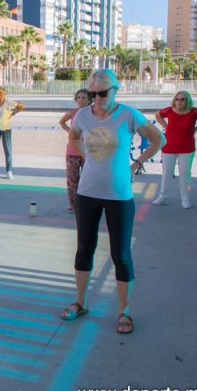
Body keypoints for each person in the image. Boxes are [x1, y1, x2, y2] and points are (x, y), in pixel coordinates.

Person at [61, 69, 165, 335]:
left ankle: (124, 310)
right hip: (87, 193)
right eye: (92, 93)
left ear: (115, 90)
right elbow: (73, 137)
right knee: (84, 248)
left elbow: (158, 139)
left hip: (119, 195)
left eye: (102, 92)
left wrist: (136, 165)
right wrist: (87, 157)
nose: (96, 98)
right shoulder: (82, 115)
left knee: (121, 254)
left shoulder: (128, 115)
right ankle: (81, 302)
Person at [152, 91, 197, 209]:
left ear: (187, 101)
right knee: (166, 173)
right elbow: (157, 115)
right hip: (169, 147)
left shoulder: (194, 112)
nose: (179, 101)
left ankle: (185, 199)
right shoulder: (169, 110)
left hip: (187, 148)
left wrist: (196, 129)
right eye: (177, 99)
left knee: (185, 174)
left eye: (182, 99)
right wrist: (166, 126)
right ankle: (162, 197)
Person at [59, 89, 94, 213]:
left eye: (83, 98)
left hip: (88, 152)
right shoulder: (73, 113)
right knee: (72, 181)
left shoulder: (94, 113)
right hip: (72, 152)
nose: (80, 100)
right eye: (78, 98)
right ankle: (73, 205)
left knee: (88, 179)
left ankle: (86, 204)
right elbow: (61, 122)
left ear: (90, 100)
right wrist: (70, 132)